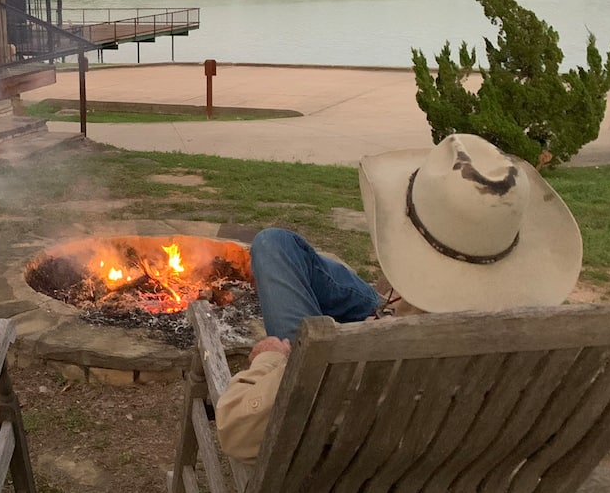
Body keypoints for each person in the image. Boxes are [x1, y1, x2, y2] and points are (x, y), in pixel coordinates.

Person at [216, 133, 583, 462]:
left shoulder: (367, 365)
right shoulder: (535, 346)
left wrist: (273, 362)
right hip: (410, 326)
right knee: (277, 243)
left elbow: (236, 432)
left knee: (273, 248)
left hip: (375, 372)